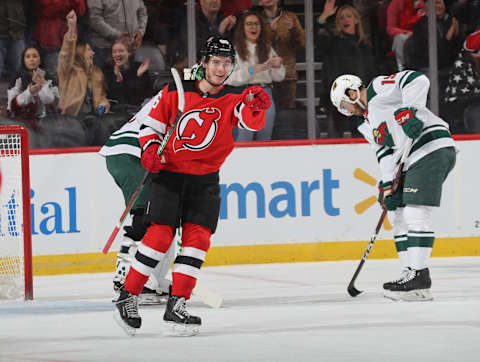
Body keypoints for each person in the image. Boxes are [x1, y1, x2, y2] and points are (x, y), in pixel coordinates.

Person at [113, 37, 271, 336]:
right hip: (170, 176)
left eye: (226, 64)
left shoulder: (233, 96)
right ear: (204, 63)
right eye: (216, 63)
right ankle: (128, 295)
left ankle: (178, 305)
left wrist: (255, 107)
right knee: (159, 236)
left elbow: (250, 123)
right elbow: (151, 126)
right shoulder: (176, 89)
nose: (221, 69)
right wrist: (148, 151)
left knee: (198, 239)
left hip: (206, 179)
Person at [330, 70, 457, 301]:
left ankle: (419, 277)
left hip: (430, 146)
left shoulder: (378, 87)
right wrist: (388, 186)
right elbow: (384, 152)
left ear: (351, 93)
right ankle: (410, 275)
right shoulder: (365, 124)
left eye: (343, 105)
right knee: (396, 214)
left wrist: (410, 110)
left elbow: (418, 80)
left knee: (415, 212)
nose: (346, 112)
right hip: (410, 158)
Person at [99, 96, 176, 305]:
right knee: (146, 217)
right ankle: (127, 280)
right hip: (130, 153)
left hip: (130, 153)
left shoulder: (182, 94)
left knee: (162, 217)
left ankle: (154, 278)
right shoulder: (184, 96)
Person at [316, 2, 377, 137]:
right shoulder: (334, 42)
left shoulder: (365, 44)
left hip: (360, 97)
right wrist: (324, 16)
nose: (345, 20)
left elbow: (370, 71)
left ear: (356, 20)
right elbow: (318, 41)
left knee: (361, 135)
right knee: (335, 135)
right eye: (341, 18)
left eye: (348, 16)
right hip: (339, 97)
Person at [226, 10, 285, 141]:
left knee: (265, 138)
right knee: (244, 138)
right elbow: (229, 78)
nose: (253, 27)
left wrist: (278, 66)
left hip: (265, 92)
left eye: (256, 24)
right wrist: (251, 71)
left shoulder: (267, 48)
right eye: (249, 24)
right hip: (245, 93)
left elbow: (279, 77)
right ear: (243, 28)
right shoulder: (235, 50)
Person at [57, 10, 110, 118]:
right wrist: (71, 29)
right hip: (72, 118)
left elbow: (102, 97)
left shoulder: (96, 72)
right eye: (89, 50)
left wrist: (104, 104)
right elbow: (66, 55)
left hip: (93, 118)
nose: (93, 53)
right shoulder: (69, 71)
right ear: (80, 53)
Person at [259, 0, 305, 110]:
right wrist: (271, 31)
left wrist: (293, 29)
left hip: (287, 74)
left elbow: (302, 45)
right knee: (266, 113)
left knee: (286, 114)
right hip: (265, 75)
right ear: (260, 2)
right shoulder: (256, 20)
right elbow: (256, 47)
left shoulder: (290, 17)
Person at [171, 0, 237, 70]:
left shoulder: (224, 20)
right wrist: (219, 32)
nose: (214, 1)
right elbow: (195, 50)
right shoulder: (191, 20)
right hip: (195, 69)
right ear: (201, 2)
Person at [32, 0, 86, 82]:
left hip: (68, 36)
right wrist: (68, 4)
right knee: (52, 73)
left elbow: (81, 9)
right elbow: (48, 9)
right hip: (49, 38)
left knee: (68, 72)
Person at [87, 0, 148, 68]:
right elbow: (94, 20)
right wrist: (116, 35)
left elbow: (142, 12)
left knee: (129, 77)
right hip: (104, 48)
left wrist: (140, 31)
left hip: (129, 48)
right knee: (101, 78)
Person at [7, 46, 58, 125]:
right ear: (24, 60)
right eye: (28, 57)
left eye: (35, 56)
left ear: (40, 60)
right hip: (23, 122)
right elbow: (11, 106)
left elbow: (51, 103)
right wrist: (29, 92)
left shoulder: (49, 78)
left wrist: (43, 85)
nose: (32, 59)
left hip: (47, 124)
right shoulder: (18, 79)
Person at [104, 37, 153, 113]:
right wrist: (118, 79)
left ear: (129, 53)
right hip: (116, 112)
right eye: (114, 52)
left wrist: (139, 76)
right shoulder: (108, 70)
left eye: (121, 51)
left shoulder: (139, 68)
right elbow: (116, 99)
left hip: (137, 111)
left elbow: (145, 95)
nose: (117, 54)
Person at [386, 0, 425, 71]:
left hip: (420, 38)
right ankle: (402, 69)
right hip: (401, 40)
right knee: (400, 38)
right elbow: (390, 28)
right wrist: (407, 32)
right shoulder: (396, 3)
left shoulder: (423, 4)